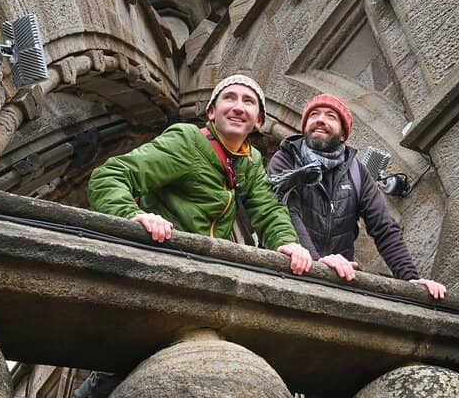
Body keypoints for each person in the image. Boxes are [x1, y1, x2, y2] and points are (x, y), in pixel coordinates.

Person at [88, 74, 312, 275]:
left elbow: (268, 209)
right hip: (162, 257)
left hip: (207, 268)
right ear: (212, 112)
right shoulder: (187, 141)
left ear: (259, 121)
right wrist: (133, 214)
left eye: (248, 101)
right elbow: (108, 176)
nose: (238, 107)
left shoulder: (250, 159)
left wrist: (287, 242)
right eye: (229, 98)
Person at [267, 93, 446, 297]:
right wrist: (318, 264)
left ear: (343, 134)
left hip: (338, 280)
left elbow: (384, 227)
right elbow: (287, 212)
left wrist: (410, 278)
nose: (320, 120)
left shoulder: (356, 172)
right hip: (293, 272)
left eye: (331, 116)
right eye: (314, 114)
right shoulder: (286, 160)